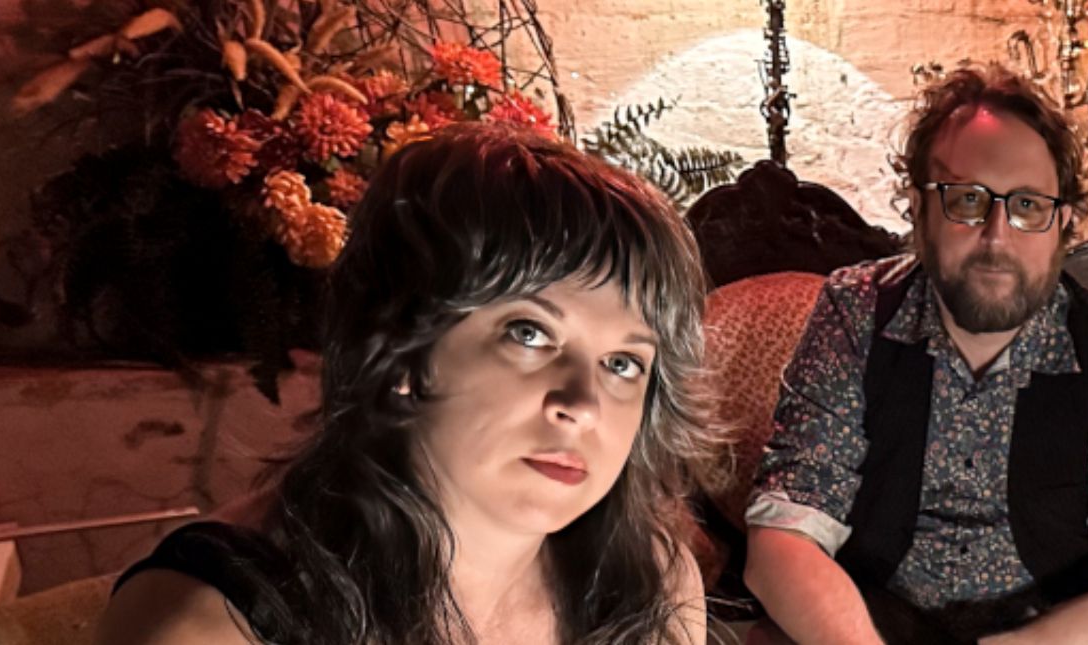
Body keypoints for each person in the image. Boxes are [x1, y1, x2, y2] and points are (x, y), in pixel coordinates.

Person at [94, 122, 717, 644]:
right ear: (402, 349)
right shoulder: (215, 622)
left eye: (623, 363)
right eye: (529, 334)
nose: (582, 405)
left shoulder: (654, 583)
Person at [743, 63, 1088, 645]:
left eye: (1028, 205)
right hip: (867, 623)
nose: (997, 236)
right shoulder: (855, 312)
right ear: (918, 207)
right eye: (966, 199)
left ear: (1063, 224)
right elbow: (782, 540)